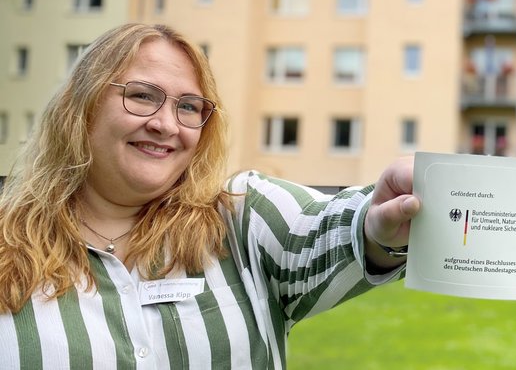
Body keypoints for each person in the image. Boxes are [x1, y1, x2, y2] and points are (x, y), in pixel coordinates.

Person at [0, 23, 420, 368]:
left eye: (188, 107)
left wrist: (377, 221)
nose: (166, 124)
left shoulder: (240, 220)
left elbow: (326, 228)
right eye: (143, 96)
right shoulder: (8, 245)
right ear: (83, 105)